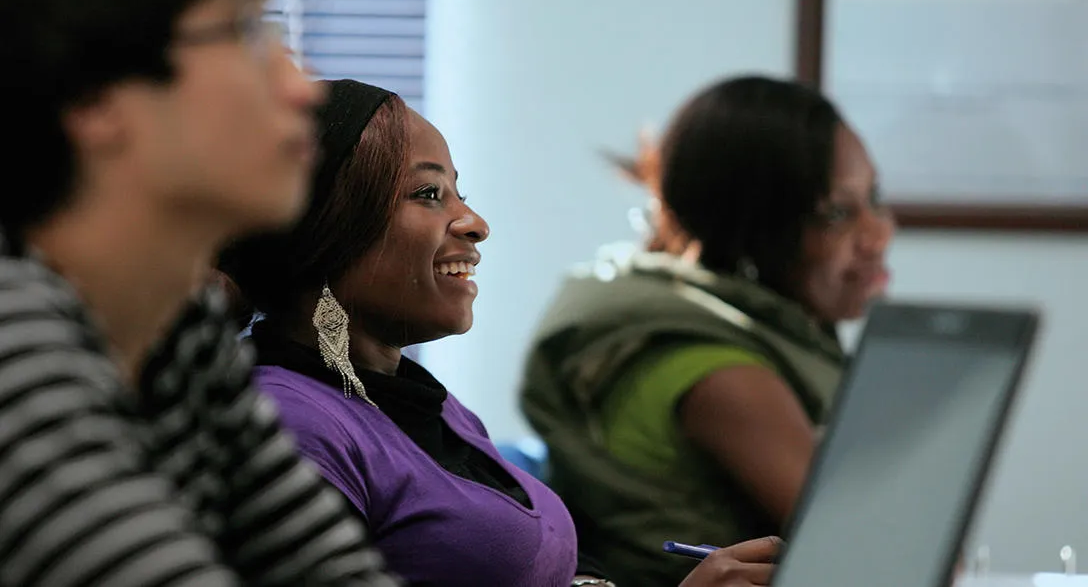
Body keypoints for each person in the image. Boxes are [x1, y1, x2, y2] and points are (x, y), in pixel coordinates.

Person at [219, 77, 786, 587]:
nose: (475, 223)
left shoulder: (429, 407)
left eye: (459, 193)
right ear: (327, 228)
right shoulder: (292, 425)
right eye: (426, 194)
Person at [0, 0, 400, 584]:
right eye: (243, 30)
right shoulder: (12, 339)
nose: (302, 89)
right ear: (95, 97)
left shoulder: (180, 336)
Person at [520, 75, 896, 586]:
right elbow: (887, 556)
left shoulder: (690, 306)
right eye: (837, 213)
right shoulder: (715, 370)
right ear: (755, 226)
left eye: (873, 198)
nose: (878, 234)